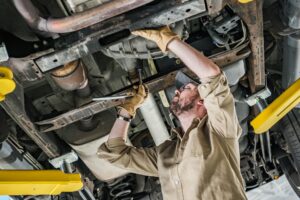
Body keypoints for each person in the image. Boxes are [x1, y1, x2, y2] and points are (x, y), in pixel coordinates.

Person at [97, 27, 247, 200]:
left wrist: (127, 110)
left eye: (182, 89)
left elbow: (115, 154)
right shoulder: (220, 132)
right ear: (203, 101)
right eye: (185, 88)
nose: (176, 92)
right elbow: (212, 76)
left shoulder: (166, 154)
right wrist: (168, 40)